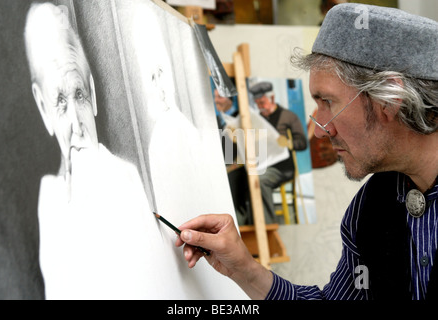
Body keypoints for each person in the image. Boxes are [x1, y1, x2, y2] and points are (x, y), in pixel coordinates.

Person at [176, 3, 438, 300]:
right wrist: (244, 269)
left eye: (327, 102)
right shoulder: (370, 208)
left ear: (390, 99)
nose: (319, 128)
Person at [24, 2, 158, 299]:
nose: (76, 123)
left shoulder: (125, 179)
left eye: (79, 95)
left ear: (93, 94)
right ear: (43, 108)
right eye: (59, 101)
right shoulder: (49, 203)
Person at [249, 81, 307, 224]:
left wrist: (288, 143)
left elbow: (302, 143)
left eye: (262, 102)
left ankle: (267, 224)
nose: (260, 107)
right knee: (243, 179)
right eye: (257, 104)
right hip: (263, 164)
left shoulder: (288, 116)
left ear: (272, 99)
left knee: (260, 180)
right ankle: (250, 222)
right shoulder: (259, 119)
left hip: (282, 168)